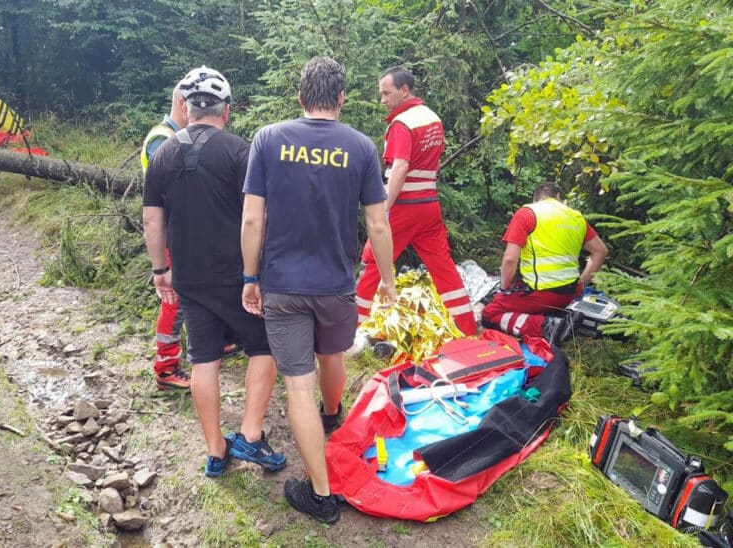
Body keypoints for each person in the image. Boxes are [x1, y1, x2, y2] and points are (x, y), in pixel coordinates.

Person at [241, 56, 395, 524]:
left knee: (297, 386)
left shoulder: (268, 139)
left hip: (283, 285)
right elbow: (377, 222)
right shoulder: (361, 146)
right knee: (333, 359)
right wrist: (387, 281)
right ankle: (333, 415)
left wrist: (250, 277)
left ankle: (322, 495)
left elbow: (252, 217)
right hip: (336, 284)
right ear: (342, 98)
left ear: (300, 95)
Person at [143, 66, 285, 477]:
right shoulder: (241, 150)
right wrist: (257, 272)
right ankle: (252, 437)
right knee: (263, 347)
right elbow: (258, 216)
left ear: (186, 110)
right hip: (239, 276)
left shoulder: (163, 154)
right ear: (226, 110)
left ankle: (215, 451)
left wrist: (160, 270)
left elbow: (153, 221)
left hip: (188, 276)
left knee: (204, 359)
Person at [354, 66, 477, 337]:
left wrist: (384, 210)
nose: (382, 100)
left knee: (374, 259)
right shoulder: (432, 118)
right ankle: (467, 328)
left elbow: (399, 167)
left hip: (404, 205)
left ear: (404, 90)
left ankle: (353, 331)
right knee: (443, 266)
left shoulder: (402, 123)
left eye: (386, 93)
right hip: (429, 204)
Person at [141, 84, 239, 391]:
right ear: (184, 105)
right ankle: (166, 366)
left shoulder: (179, 138)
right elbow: (170, 193)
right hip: (175, 235)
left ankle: (216, 340)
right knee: (175, 301)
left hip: (186, 232)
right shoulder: (163, 140)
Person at [481, 183, 608, 345]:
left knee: (489, 314)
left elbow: (510, 259)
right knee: (541, 303)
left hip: (539, 293)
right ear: (558, 197)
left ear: (536, 198)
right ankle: (560, 318)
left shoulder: (528, 213)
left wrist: (504, 290)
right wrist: (582, 284)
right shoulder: (576, 217)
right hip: (570, 294)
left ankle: (547, 326)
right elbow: (600, 251)